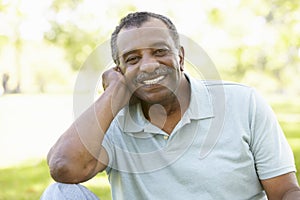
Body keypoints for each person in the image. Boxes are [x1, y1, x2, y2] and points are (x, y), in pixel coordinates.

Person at [41, 11, 300, 200]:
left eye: (159, 52)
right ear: (118, 71)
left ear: (181, 57)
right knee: (60, 194)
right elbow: (64, 168)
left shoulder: (243, 103)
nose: (149, 65)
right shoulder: (113, 120)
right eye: (133, 59)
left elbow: (285, 190)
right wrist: (112, 95)